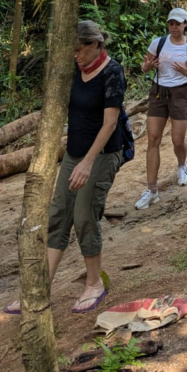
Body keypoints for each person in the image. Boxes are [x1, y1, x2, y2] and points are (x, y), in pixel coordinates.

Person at [4, 21, 126, 315]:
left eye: (79, 49)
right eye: (72, 50)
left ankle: (94, 284)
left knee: (84, 215)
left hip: (102, 154)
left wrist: (87, 162)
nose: (76, 55)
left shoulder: (113, 72)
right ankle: (40, 288)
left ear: (95, 44)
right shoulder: (73, 69)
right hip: (74, 153)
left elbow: (110, 124)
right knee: (59, 214)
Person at [135, 8, 187, 210]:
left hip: (180, 93)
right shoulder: (158, 43)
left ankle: (182, 165)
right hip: (158, 91)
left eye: (178, 24)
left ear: (185, 24)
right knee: (153, 139)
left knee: (177, 139)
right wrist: (148, 66)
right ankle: (152, 190)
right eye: (171, 23)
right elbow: (144, 65)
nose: (174, 27)